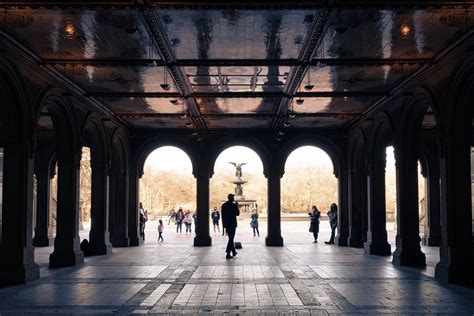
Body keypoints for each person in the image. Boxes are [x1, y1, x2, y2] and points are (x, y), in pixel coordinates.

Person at [221, 193, 240, 259]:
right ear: (231, 198)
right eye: (233, 197)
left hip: (227, 224)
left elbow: (222, 216)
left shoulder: (224, 205)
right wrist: (237, 206)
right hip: (232, 223)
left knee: (230, 238)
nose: (234, 198)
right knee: (231, 238)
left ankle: (233, 251)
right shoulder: (234, 205)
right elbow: (237, 214)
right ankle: (228, 253)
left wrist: (224, 225)